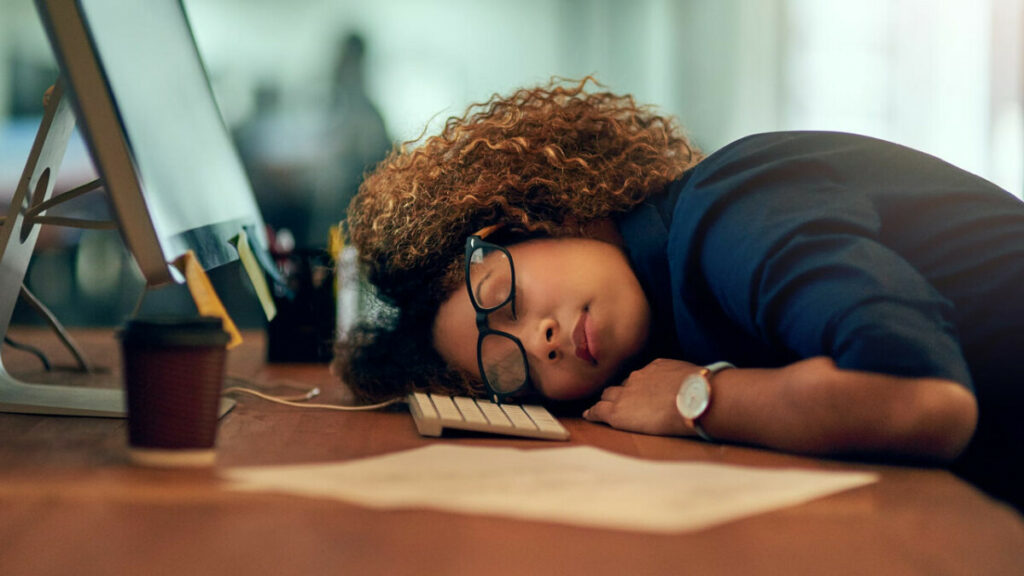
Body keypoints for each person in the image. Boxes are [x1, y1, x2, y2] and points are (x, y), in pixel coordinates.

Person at [332, 78, 1024, 511]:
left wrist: (700, 399)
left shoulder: (726, 213)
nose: (538, 341)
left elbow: (925, 401)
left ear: (524, 220)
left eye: (500, 295)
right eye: (507, 367)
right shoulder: (667, 304)